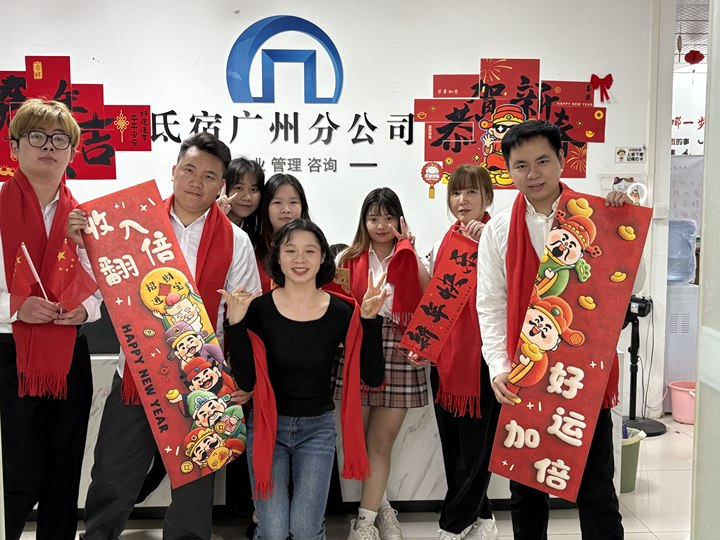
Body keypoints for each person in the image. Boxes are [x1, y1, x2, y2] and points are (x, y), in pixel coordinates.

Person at [72, 132, 261, 540]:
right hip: (137, 374)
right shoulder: (132, 225)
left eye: (209, 176)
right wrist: (80, 242)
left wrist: (242, 377)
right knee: (113, 473)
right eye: (189, 170)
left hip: (202, 382)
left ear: (221, 185)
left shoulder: (236, 241)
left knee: (195, 483)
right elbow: (98, 282)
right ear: (174, 171)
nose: (196, 182)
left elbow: (244, 315)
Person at [476, 120, 630, 540]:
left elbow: (628, 281)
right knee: (526, 490)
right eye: (521, 165)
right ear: (509, 170)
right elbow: (490, 303)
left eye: (543, 161)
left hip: (583, 375)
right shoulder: (498, 230)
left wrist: (620, 221)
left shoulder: (596, 216)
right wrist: (498, 366)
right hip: (527, 370)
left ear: (562, 159)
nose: (533, 173)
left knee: (596, 489)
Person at [222, 218, 386, 540]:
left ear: (323, 256)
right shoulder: (258, 309)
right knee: (273, 531)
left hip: (317, 429)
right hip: (268, 426)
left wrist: (369, 320)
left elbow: (372, 376)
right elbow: (246, 382)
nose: (300, 259)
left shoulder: (342, 311)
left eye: (310, 251)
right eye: (290, 250)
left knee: (305, 530)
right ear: (277, 256)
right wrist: (236, 324)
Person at [0, 98, 101, 540]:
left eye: (60, 139)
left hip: (67, 352)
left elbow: (103, 282)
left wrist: (86, 310)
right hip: (8, 351)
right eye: (36, 136)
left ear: (73, 152)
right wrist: (15, 305)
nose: (48, 146)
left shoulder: (87, 216)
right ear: (14, 147)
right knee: (17, 471)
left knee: (64, 467)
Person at [337, 187, 431, 540]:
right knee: (359, 442)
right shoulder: (347, 259)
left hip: (402, 347)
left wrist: (410, 250)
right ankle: (381, 506)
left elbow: (430, 297)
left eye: (388, 217)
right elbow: (338, 304)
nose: (380, 225)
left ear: (399, 221)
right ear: (363, 221)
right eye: (373, 217)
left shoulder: (409, 256)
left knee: (380, 443)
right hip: (361, 344)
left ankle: (364, 523)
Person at [425, 165, 499, 540]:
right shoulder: (446, 240)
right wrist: (423, 345)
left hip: (484, 360)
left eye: (471, 192)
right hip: (447, 362)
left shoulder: (499, 237)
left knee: (476, 451)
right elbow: (435, 301)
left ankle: (452, 525)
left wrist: (490, 244)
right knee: (453, 448)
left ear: (488, 197)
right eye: (456, 192)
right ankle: (482, 518)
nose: (462, 200)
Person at [254, 173, 310, 292]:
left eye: (293, 202)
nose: (286, 210)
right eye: (277, 203)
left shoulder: (317, 247)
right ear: (266, 207)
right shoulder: (251, 249)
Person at [223, 157, 265, 245]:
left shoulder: (256, 233)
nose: (247, 197)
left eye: (254, 189)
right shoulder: (206, 223)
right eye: (239, 188)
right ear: (223, 187)